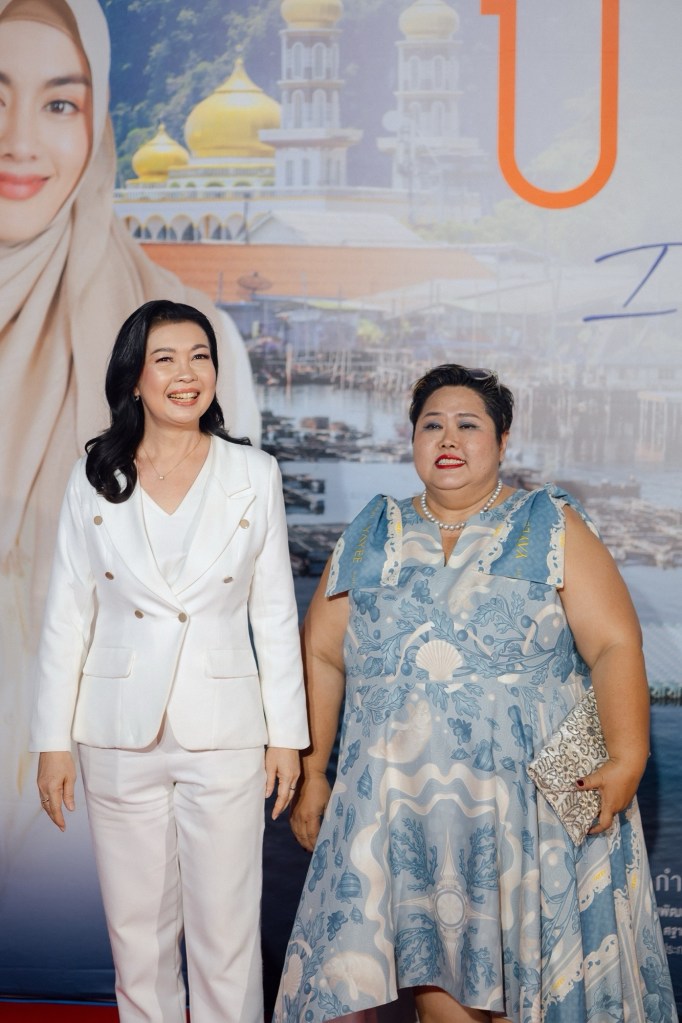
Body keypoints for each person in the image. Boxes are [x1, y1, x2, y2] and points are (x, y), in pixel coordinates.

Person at [274, 365, 677, 1023]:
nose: (448, 438)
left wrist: (627, 756)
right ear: (411, 439)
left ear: (502, 439)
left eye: (468, 424)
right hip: (406, 803)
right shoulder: (372, 531)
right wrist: (314, 769)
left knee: (535, 994)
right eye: (431, 424)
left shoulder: (548, 523)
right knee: (439, 995)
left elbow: (614, 644)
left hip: (535, 806)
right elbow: (320, 652)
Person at [0, 0, 259, 830]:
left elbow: (229, 588)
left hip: (109, 767)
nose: (20, 141)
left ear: (98, 124)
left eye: (59, 103)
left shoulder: (191, 344)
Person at [30, 299, 309, 1023]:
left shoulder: (255, 473)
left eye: (200, 356)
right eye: (166, 359)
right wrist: (51, 740)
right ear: (134, 377)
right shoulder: (95, 474)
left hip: (226, 729)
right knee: (137, 937)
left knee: (227, 935)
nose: (187, 374)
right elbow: (67, 615)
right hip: (117, 728)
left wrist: (287, 735)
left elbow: (275, 613)